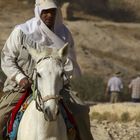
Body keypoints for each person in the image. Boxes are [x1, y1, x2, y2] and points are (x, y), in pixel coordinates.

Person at [0, 0, 93, 140]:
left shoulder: (64, 34)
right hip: (21, 87)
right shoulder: (22, 31)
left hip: (56, 88)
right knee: (1, 115)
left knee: (81, 112)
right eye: (45, 12)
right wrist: (20, 78)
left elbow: (70, 63)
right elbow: (7, 58)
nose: (49, 15)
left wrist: (60, 80)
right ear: (38, 12)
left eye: (52, 11)